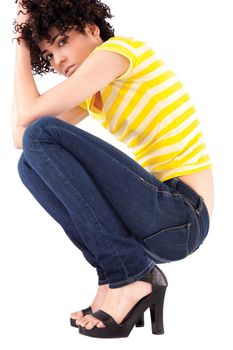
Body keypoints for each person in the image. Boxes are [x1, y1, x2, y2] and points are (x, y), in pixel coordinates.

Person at [12, 0, 214, 338]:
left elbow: (32, 119)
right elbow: (20, 137)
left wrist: (20, 39)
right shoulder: (94, 92)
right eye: (47, 55)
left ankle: (129, 277)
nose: (57, 60)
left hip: (183, 215)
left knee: (43, 134)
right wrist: (21, 45)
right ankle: (115, 274)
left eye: (62, 41)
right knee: (29, 164)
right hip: (155, 223)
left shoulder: (119, 52)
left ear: (92, 29)